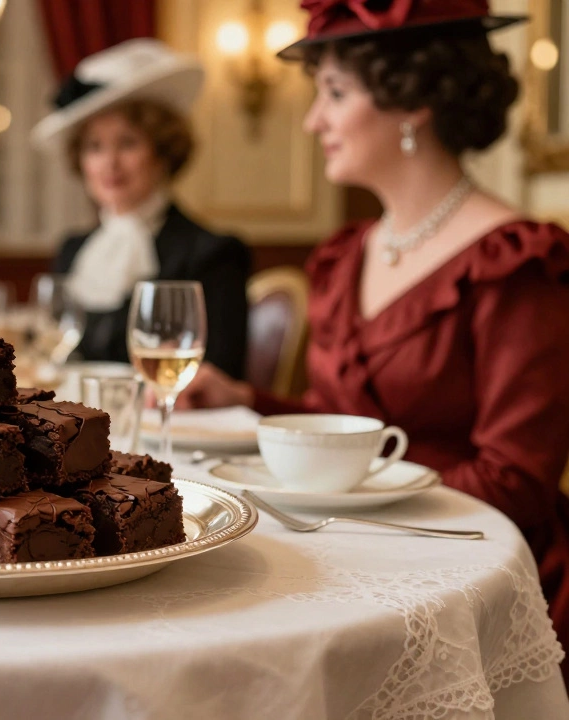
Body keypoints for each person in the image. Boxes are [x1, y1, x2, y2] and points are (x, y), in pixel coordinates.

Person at [183, 0, 569, 676]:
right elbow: (357, 431)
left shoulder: (516, 262)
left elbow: (517, 480)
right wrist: (250, 399)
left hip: (480, 580)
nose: (313, 120)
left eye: (334, 93)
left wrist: (348, 507)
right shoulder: (346, 256)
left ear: (412, 101)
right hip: (356, 549)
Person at [31, 39, 250, 376]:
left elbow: (218, 377)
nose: (110, 163)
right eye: (95, 147)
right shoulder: (72, 252)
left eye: (127, 143)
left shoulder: (213, 254)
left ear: (163, 153)